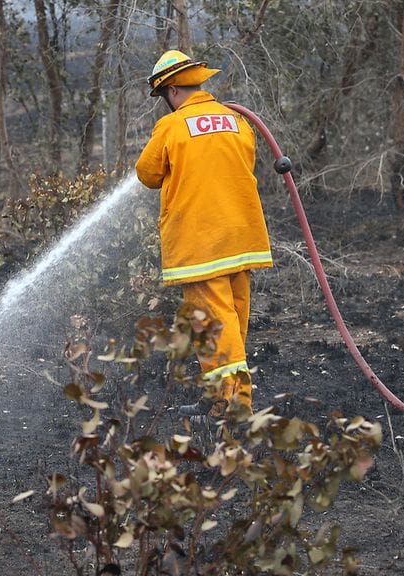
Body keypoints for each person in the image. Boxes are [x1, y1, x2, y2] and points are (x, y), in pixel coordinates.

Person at [135, 49, 273, 422]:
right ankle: (218, 399)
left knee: (214, 324)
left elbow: (147, 175)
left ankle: (238, 405)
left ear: (172, 91)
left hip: (202, 244)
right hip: (243, 238)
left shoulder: (172, 126)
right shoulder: (235, 121)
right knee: (230, 322)